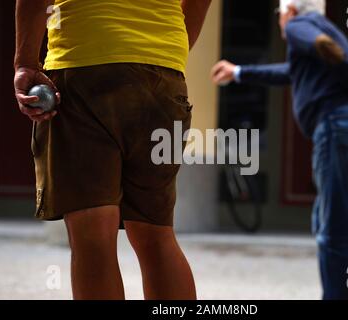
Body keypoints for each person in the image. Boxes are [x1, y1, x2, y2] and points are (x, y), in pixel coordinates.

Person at [14, 0, 211, 300]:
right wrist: (171, 50)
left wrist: (25, 63)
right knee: (155, 233)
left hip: (85, 64)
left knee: (93, 235)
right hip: (164, 77)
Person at [211, 0, 348, 300]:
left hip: (338, 126)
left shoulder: (299, 26)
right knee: (333, 224)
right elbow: (290, 71)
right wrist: (239, 72)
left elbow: (324, 46)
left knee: (333, 230)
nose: (280, 21)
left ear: (290, 11)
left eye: (278, 13)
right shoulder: (323, 27)